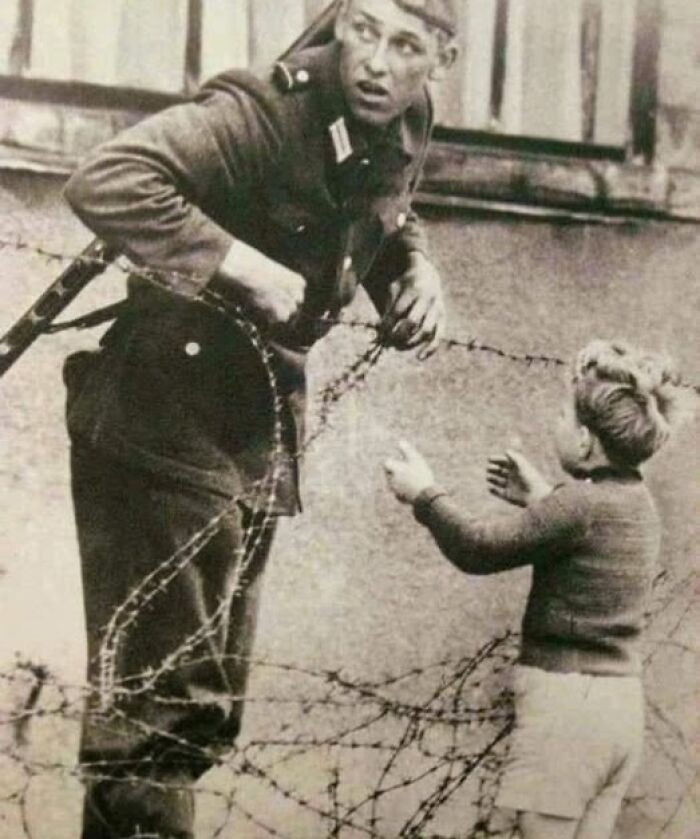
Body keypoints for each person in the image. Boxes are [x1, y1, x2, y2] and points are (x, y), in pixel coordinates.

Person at [63, 1, 458, 836]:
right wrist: (238, 265)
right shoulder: (263, 109)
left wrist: (414, 270)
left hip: (254, 427)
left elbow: (377, 202)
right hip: (162, 417)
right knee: (161, 707)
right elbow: (108, 177)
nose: (376, 62)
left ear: (440, 59)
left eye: (406, 45)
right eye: (363, 30)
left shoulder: (403, 116)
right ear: (337, 25)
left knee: (198, 708)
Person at [384, 339, 692, 839]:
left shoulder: (576, 506)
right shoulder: (639, 506)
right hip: (619, 710)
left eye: (563, 417)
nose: (555, 425)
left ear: (587, 442)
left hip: (567, 707)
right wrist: (542, 499)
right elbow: (592, 547)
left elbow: (478, 548)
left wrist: (425, 495)